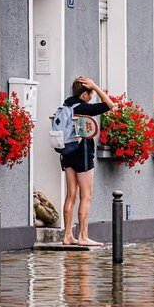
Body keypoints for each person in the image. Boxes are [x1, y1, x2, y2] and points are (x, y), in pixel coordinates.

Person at [60, 76, 115, 246]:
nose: (92, 97)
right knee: (86, 196)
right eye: (90, 94)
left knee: (71, 195)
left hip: (67, 151)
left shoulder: (67, 105)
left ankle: (68, 235)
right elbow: (109, 105)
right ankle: (83, 236)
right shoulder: (84, 108)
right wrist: (96, 87)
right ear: (84, 94)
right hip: (82, 153)